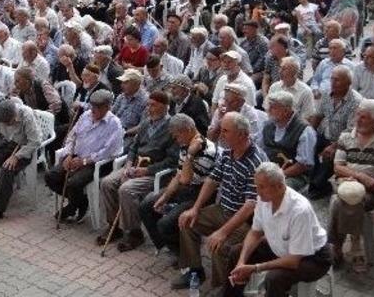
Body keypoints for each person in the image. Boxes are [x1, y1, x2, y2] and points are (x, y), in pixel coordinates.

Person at [173, 112, 265, 290]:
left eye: (225, 131)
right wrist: (195, 208)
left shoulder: (255, 162)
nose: (220, 134)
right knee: (187, 222)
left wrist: (222, 232)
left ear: (242, 134)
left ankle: (224, 289)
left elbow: (250, 206)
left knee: (220, 246)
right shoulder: (228, 153)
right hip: (223, 209)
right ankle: (195, 272)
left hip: (246, 221)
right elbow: (212, 180)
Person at [224, 162, 331, 297]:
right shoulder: (263, 199)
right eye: (256, 186)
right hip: (282, 248)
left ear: (280, 186)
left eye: (262, 187)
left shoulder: (299, 210)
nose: (257, 191)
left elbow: (292, 261)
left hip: (312, 258)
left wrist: (255, 268)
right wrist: (241, 262)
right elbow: (255, 232)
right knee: (236, 253)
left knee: (274, 278)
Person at [99, 91, 174, 251]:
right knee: (107, 182)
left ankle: (134, 232)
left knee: (126, 189)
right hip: (135, 166)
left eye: (153, 105)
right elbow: (133, 147)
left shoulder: (171, 127)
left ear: (165, 107)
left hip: (154, 172)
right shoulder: (146, 122)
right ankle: (115, 226)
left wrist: (147, 171)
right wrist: (128, 164)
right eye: (148, 104)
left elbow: (172, 160)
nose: (149, 108)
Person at [328, 99, 374, 272]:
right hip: (347, 183)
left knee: (340, 202)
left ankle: (340, 248)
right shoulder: (346, 137)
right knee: (349, 196)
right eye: (357, 115)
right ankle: (355, 248)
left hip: (373, 191)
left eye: (364, 117)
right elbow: (338, 166)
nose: (358, 120)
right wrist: (360, 176)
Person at [139, 114, 217, 254]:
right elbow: (178, 176)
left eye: (176, 136)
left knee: (166, 223)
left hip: (200, 194)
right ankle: (166, 245)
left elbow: (186, 179)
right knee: (147, 204)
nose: (175, 140)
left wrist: (190, 155)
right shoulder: (185, 144)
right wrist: (165, 197)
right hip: (185, 189)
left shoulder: (207, 150)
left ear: (187, 130)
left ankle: (182, 253)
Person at [44, 89, 124, 224]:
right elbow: (72, 136)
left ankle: (71, 207)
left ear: (107, 107)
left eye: (97, 107)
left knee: (73, 183)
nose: (93, 110)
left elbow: (108, 151)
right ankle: (81, 202)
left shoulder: (114, 124)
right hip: (75, 155)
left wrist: (84, 161)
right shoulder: (86, 115)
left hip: (96, 162)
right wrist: (69, 154)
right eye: (92, 106)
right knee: (51, 176)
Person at [308, 65, 362, 200]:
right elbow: (318, 115)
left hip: (343, 140)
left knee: (330, 155)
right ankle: (313, 180)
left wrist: (334, 146)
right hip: (325, 133)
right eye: (332, 79)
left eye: (337, 80)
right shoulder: (327, 94)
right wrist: (309, 133)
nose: (332, 82)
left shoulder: (356, 101)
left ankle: (319, 184)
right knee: (308, 146)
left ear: (348, 83)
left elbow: (351, 131)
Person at [254, 91, 316, 191]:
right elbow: (258, 149)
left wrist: (277, 175)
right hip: (267, 170)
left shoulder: (305, 130)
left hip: (293, 176)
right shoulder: (267, 124)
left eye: (273, 107)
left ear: (286, 111)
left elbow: (302, 165)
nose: (269, 110)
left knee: (277, 189)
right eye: (269, 106)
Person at [111, 68, 149, 134]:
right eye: (122, 82)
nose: (122, 85)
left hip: (129, 135)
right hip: (114, 129)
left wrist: (124, 133)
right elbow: (111, 113)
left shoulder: (146, 100)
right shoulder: (121, 96)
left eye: (125, 83)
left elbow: (142, 126)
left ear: (136, 84)